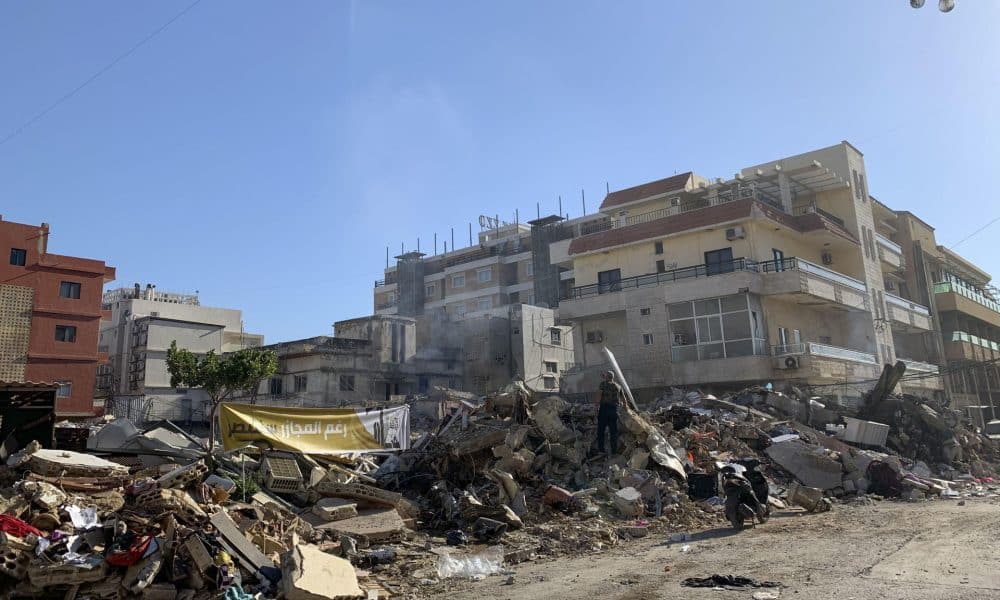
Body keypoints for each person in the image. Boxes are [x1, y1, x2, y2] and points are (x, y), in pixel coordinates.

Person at [596, 370, 622, 455]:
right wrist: (625, 406)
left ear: (607, 377)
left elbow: (599, 396)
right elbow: (624, 399)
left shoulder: (603, 384)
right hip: (614, 409)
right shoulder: (618, 386)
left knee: (601, 430)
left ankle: (601, 450)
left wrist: (596, 406)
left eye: (605, 376)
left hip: (604, 409)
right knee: (613, 431)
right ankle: (614, 451)